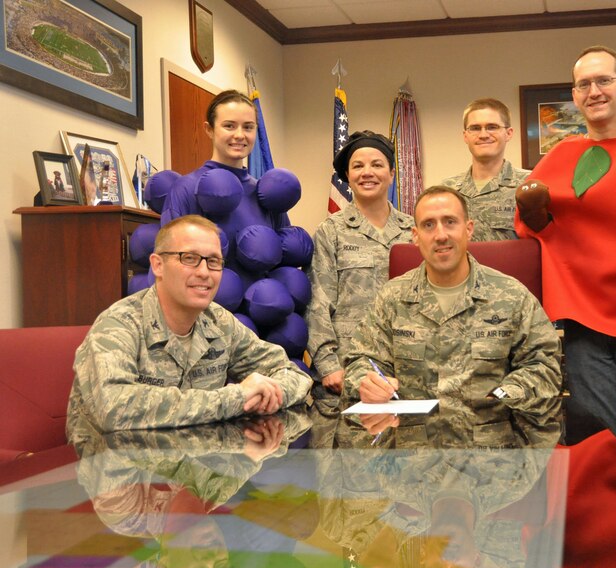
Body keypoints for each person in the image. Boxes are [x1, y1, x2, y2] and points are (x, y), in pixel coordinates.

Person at [515, 46, 616, 447]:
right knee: (599, 438)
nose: (594, 91)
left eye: (603, 80)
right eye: (583, 84)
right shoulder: (563, 154)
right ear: (574, 95)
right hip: (583, 316)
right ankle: (608, 511)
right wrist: (536, 215)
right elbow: (532, 225)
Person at [342, 185, 562, 447]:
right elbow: (360, 360)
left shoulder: (511, 296)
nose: (441, 235)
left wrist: (502, 394)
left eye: (450, 222)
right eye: (428, 225)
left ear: (468, 229)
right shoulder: (392, 298)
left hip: (492, 459)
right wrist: (368, 383)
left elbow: (545, 366)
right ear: (415, 236)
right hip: (412, 460)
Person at [67, 215, 311, 439]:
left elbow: (294, 374)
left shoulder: (219, 322)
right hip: (118, 473)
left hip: (196, 471)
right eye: (190, 258)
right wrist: (236, 398)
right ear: (157, 265)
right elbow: (115, 409)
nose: (204, 272)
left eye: (214, 261)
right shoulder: (119, 324)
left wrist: (265, 394)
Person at [306, 131, 413, 406]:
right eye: (358, 166)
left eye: (377, 165)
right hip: (348, 372)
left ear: (391, 173)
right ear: (347, 176)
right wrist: (328, 366)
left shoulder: (414, 231)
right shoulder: (331, 231)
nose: (368, 173)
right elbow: (317, 303)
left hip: (408, 368)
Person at [160, 89, 293, 235]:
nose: (240, 135)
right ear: (209, 129)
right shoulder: (186, 189)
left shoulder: (266, 195)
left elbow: (285, 250)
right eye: (229, 126)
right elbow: (172, 253)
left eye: (248, 127)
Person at [440, 98, 529, 241]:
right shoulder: (446, 190)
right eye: (475, 128)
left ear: (509, 133)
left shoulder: (528, 185)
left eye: (492, 127)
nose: (483, 135)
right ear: (465, 136)